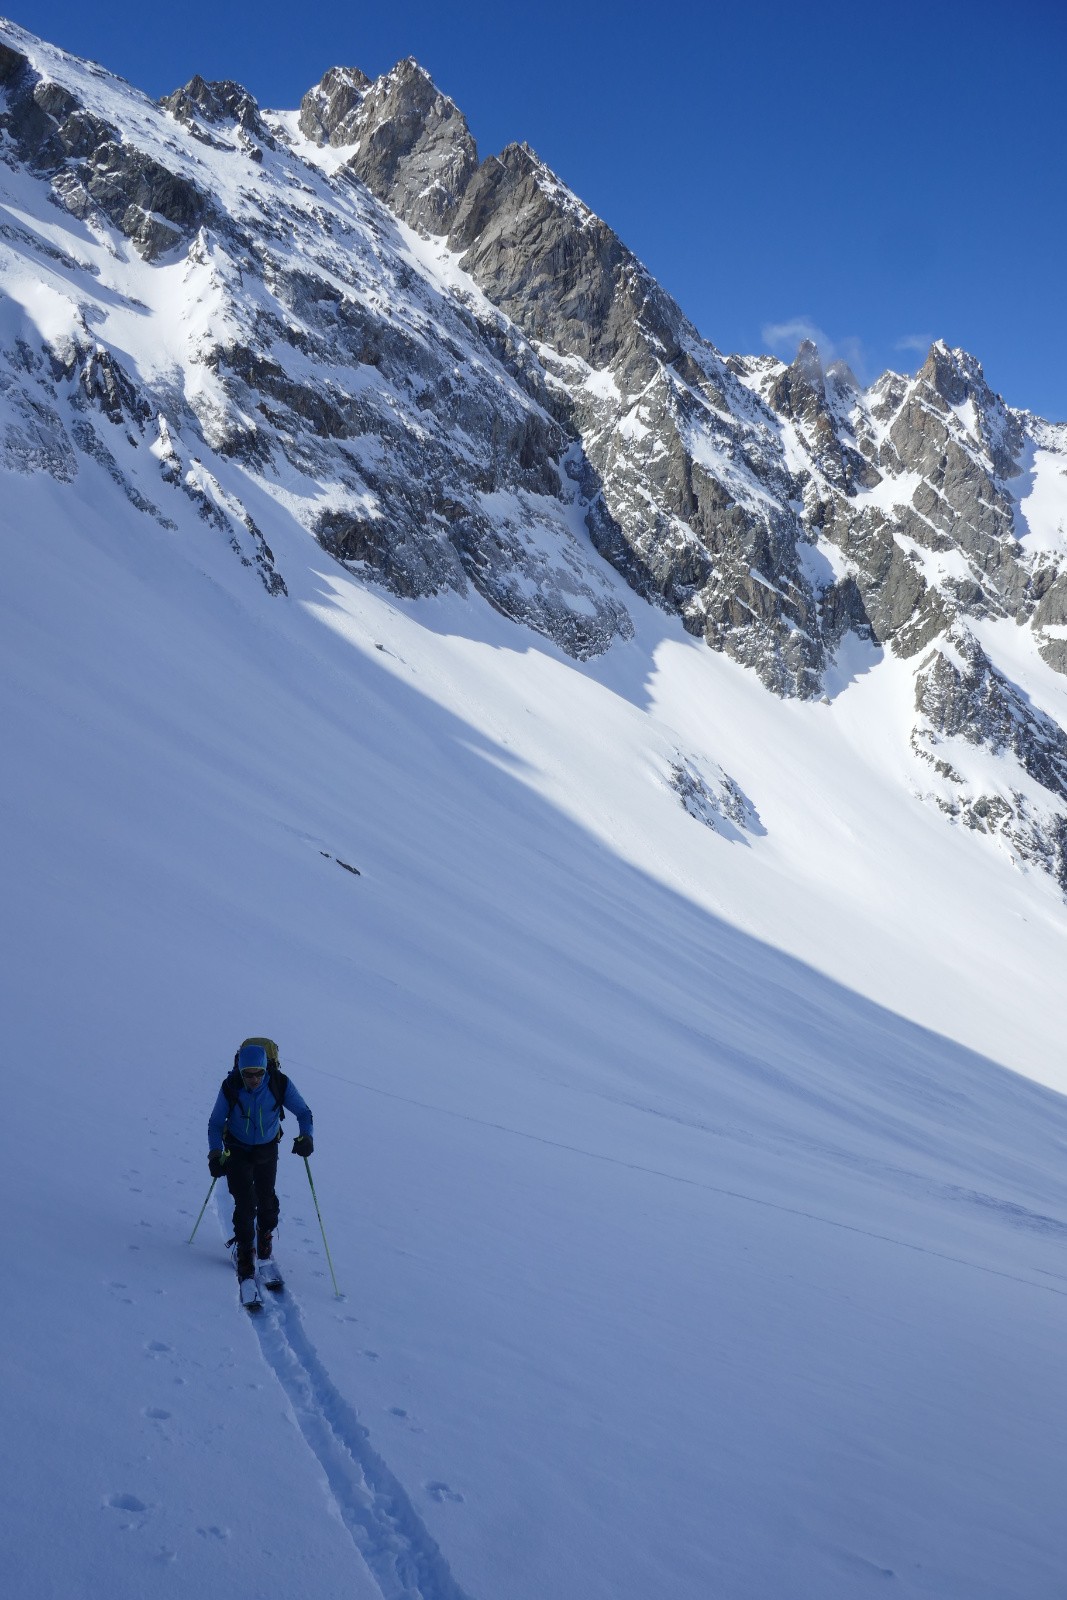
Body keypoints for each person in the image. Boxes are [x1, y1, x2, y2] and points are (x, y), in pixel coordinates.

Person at [208, 1041, 314, 1295]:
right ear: (240, 1071)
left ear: (266, 1070)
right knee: (245, 1203)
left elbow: (304, 1112)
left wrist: (306, 1136)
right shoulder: (231, 1086)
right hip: (237, 1149)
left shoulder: (279, 1083)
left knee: (267, 1199)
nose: (254, 1079)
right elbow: (214, 1123)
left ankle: (264, 1240)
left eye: (259, 1073)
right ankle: (246, 1251)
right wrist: (215, 1154)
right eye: (248, 1073)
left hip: (267, 1149)